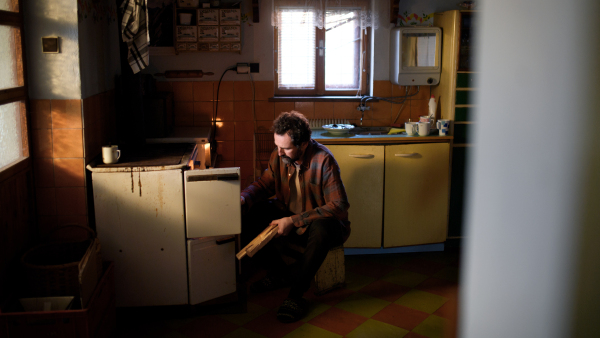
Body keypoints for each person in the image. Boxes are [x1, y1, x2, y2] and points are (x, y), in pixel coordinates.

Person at [240, 111, 350, 323]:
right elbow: (264, 185)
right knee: (254, 211)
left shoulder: (324, 159)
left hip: (319, 228)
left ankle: (296, 295)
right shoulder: (278, 154)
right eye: (277, 146)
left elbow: (339, 205)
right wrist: (243, 198)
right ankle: (279, 274)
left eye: (286, 148)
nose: (279, 152)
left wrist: (294, 221)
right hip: (291, 220)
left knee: (322, 227)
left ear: (304, 144)